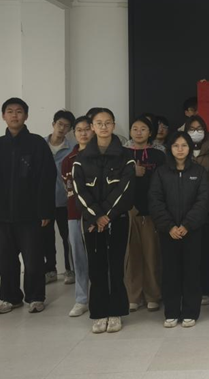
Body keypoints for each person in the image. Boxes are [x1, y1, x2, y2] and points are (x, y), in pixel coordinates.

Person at [0, 97, 55, 314]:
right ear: (3, 116)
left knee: (33, 260)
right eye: (9, 111)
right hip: (1, 215)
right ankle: (10, 298)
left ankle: (35, 297)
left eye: (19, 111)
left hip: (30, 215)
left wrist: (45, 210)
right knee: (6, 260)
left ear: (26, 115)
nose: (14, 115)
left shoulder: (37, 144)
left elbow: (47, 179)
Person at [72, 108, 136, 333]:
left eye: (108, 122)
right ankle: (99, 313)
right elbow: (79, 191)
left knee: (116, 266)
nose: (103, 127)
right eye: (99, 123)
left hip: (117, 218)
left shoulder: (126, 155)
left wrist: (107, 215)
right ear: (92, 127)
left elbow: (126, 188)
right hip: (91, 221)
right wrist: (96, 215)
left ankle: (116, 312)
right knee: (96, 267)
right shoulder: (81, 158)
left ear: (113, 125)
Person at [149, 131, 209, 328]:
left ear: (190, 148)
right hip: (168, 231)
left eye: (184, 145)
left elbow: (202, 201)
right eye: (176, 146)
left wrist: (186, 225)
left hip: (192, 230)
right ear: (170, 148)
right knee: (170, 271)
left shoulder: (199, 172)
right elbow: (155, 200)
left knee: (192, 271)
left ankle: (191, 311)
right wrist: (169, 226)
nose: (180, 149)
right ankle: (172, 311)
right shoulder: (161, 172)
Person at [124, 116, 167, 312]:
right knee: (131, 256)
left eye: (143, 129)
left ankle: (153, 295)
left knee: (152, 255)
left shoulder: (158, 155)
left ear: (150, 133)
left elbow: (163, 182)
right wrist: (131, 173)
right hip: (128, 211)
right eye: (135, 128)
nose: (139, 132)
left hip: (151, 211)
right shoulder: (123, 154)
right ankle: (133, 295)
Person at [184, 115, 209, 305]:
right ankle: (187, 288)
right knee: (187, 252)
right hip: (183, 210)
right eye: (192, 129)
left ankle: (205, 290)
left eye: (199, 129)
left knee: (206, 251)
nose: (196, 132)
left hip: (208, 209)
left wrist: (196, 189)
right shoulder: (180, 149)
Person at [60, 116, 92, 317]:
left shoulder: (101, 155)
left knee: (99, 256)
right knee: (78, 257)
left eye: (87, 129)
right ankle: (81, 299)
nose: (83, 133)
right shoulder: (68, 160)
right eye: (79, 130)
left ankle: (101, 295)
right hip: (75, 213)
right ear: (74, 133)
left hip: (98, 214)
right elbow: (68, 188)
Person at [44, 110, 75, 286]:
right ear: (53, 124)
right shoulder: (40, 145)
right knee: (46, 237)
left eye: (66, 126)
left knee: (67, 237)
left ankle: (69, 270)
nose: (62, 128)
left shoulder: (72, 148)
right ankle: (50, 270)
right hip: (44, 201)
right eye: (60, 124)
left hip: (65, 200)